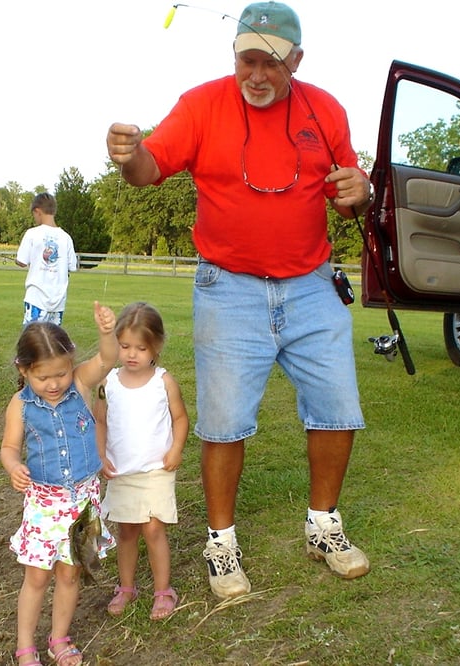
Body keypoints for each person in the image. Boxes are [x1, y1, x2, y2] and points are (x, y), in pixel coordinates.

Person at [105, 1, 373, 600]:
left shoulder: (325, 110)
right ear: (234, 57)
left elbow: (348, 195)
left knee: (337, 408)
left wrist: (364, 189)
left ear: (296, 61)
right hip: (226, 287)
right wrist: (129, 155)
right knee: (224, 423)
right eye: (246, 60)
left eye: (270, 64)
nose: (256, 74)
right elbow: (150, 169)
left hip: (311, 284)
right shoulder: (202, 104)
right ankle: (221, 544)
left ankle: (323, 526)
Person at [0, 301, 118, 666]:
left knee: (70, 574)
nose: (54, 384)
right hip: (44, 505)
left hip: (83, 501)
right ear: (24, 369)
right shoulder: (20, 405)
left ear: (71, 365)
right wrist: (13, 465)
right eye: (43, 377)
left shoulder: (80, 385)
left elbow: (107, 358)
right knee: (37, 579)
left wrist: (106, 331)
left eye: (61, 374)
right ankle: (25, 646)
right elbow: (8, 447)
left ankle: (59, 639)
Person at [94, 302, 189, 621]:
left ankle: (163, 590)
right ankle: (126, 587)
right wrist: (101, 454)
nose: (132, 354)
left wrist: (176, 448)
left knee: (153, 528)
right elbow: (101, 421)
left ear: (156, 347)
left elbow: (180, 418)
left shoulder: (164, 381)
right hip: (122, 471)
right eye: (124, 346)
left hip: (155, 470)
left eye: (140, 347)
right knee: (127, 531)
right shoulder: (109, 383)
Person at [15, 192, 78, 326]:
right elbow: (72, 266)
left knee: (32, 341)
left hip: (36, 299)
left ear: (37, 211)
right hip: (58, 302)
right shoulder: (66, 238)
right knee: (52, 342)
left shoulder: (32, 234)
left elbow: (21, 261)